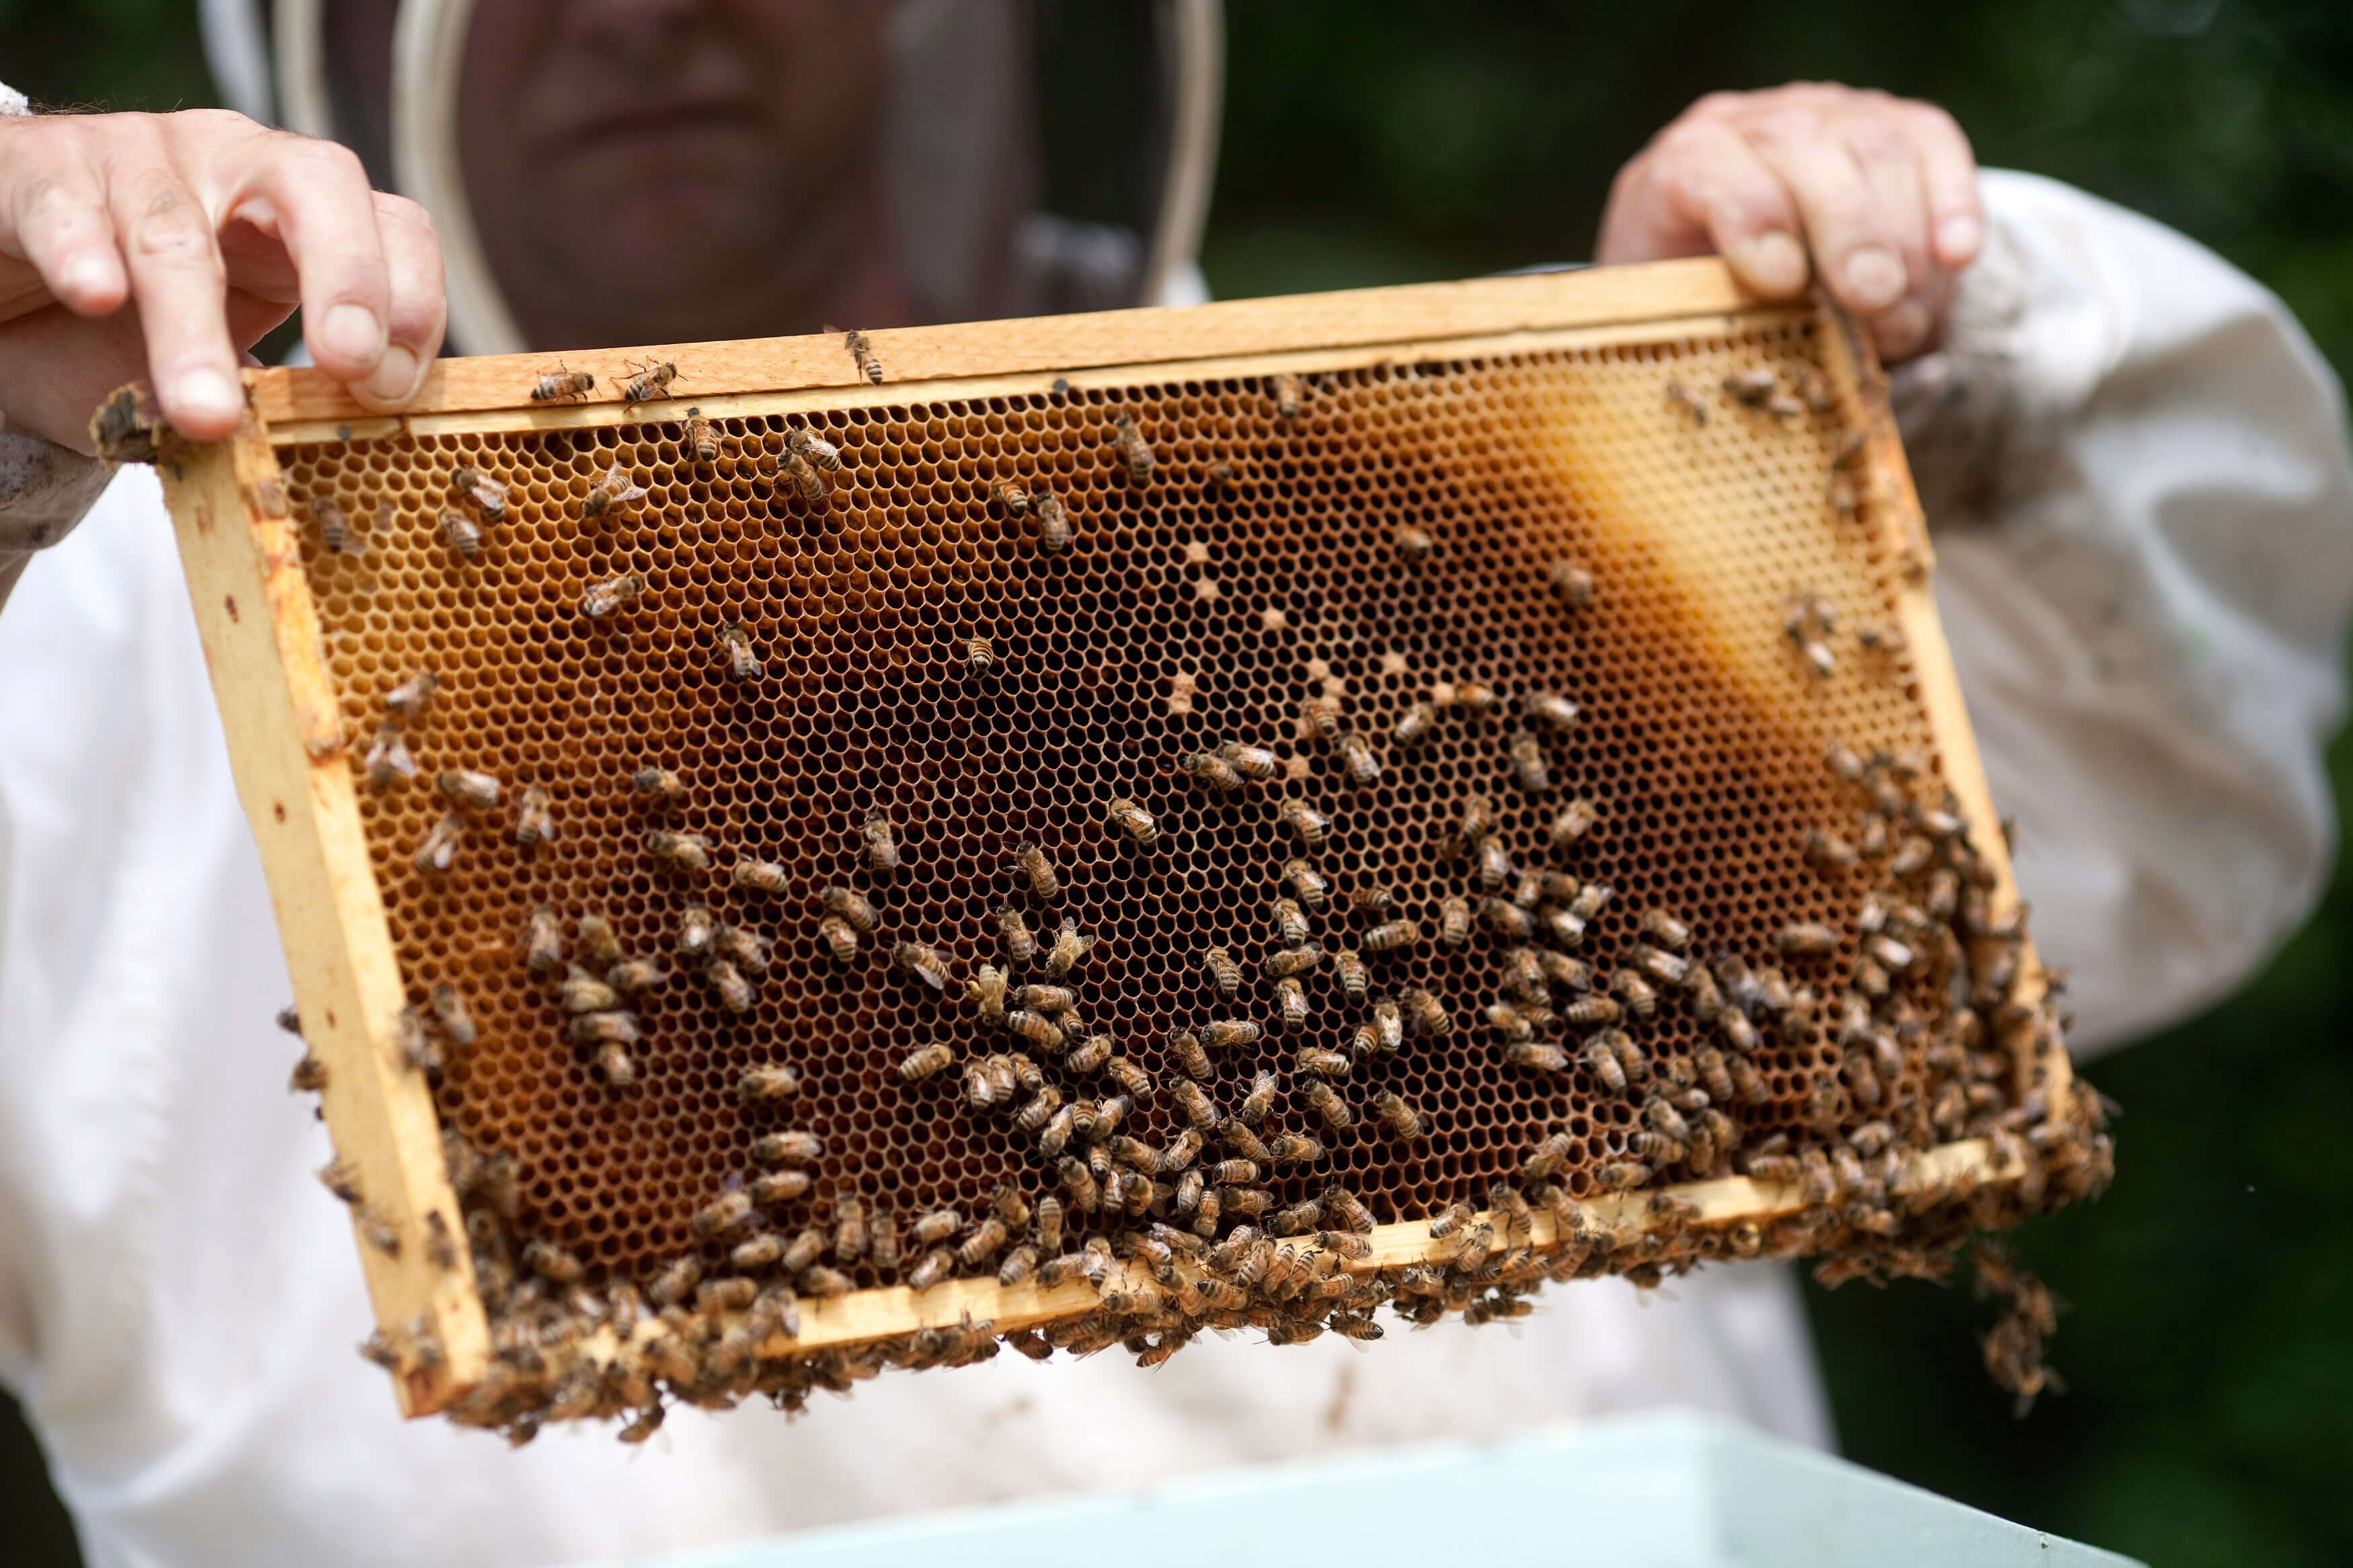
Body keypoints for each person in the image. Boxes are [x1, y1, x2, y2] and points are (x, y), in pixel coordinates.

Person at [1, 5, 2348, 1566]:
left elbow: (2171, 767)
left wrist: (1872, 374)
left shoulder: (1456, 509)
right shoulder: (125, 628)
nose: (644, 13)